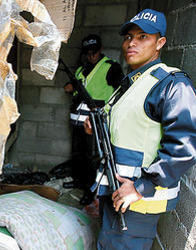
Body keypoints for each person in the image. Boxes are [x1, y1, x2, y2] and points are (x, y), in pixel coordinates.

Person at [84, 9, 196, 249]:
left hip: (137, 202)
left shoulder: (172, 84)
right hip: (116, 194)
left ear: (160, 43)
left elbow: (184, 148)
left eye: (143, 36)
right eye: (128, 37)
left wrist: (140, 187)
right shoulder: (134, 81)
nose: (131, 43)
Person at [63, 34, 124, 205]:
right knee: (77, 154)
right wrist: (71, 87)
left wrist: (104, 110)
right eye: (88, 53)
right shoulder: (81, 70)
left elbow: (120, 92)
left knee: (91, 158)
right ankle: (78, 181)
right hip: (76, 121)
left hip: (94, 123)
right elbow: (73, 90)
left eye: (94, 52)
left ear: (100, 50)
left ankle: (89, 191)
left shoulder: (111, 68)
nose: (91, 56)